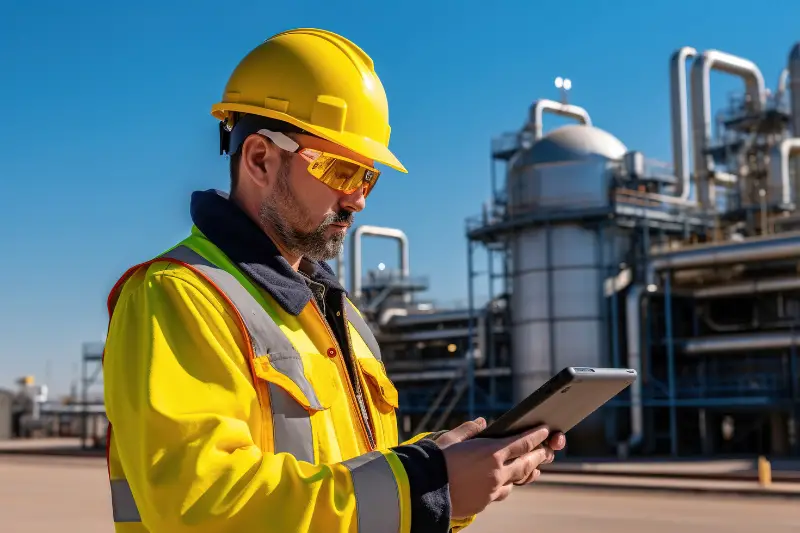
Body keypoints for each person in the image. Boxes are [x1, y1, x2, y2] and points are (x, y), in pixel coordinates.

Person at [102, 27, 566, 533]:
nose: (359, 199)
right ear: (260, 158)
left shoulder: (341, 317)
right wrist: (428, 484)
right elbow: (203, 505)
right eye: (342, 171)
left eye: (368, 177)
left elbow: (357, 476)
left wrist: (446, 469)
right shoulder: (179, 295)